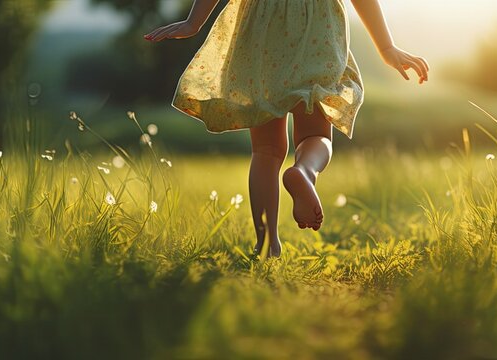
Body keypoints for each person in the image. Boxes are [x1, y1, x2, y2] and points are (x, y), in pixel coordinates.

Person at [145, 0, 429, 257]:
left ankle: (266, 243)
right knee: (315, 135)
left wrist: (193, 23)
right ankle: (304, 170)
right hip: (317, 28)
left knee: (266, 151)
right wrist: (386, 47)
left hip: (261, 28)